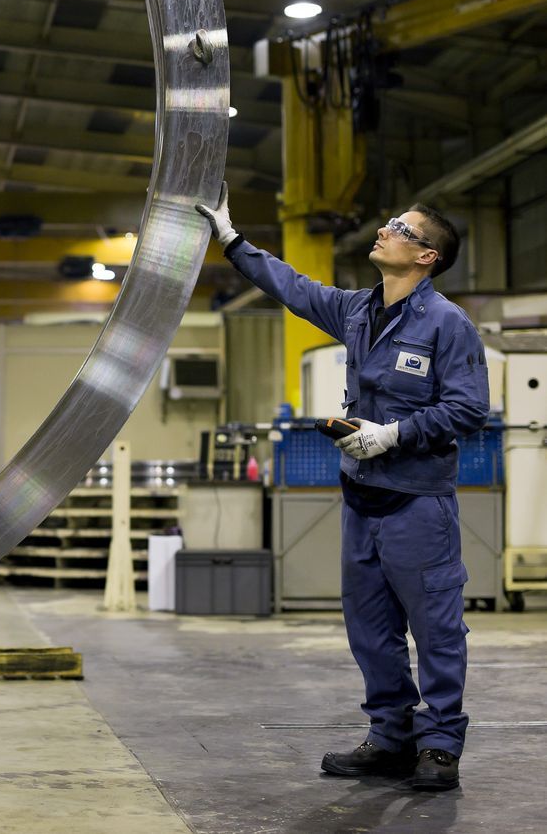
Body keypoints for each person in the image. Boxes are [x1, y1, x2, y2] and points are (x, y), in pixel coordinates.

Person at [196, 185, 489, 792]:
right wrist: (232, 241)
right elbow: (294, 288)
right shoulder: (358, 310)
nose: (384, 230)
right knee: (371, 630)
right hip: (362, 498)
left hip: (417, 502)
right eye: (390, 221)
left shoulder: (447, 324)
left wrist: (394, 434)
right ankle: (390, 737)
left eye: (400, 228)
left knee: (436, 628)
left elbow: (468, 409)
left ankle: (439, 745)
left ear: (427, 256)